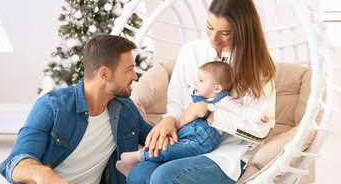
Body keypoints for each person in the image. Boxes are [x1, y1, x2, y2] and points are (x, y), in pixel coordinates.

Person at [126, 0, 277, 184]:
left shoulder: (260, 70)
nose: (214, 39)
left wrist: (208, 111)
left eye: (225, 33)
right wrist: (169, 119)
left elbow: (260, 129)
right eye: (209, 27)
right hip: (188, 142)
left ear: (243, 31)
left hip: (227, 156)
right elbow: (177, 99)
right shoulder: (191, 51)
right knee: (137, 176)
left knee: (164, 179)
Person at [0, 34, 153, 184]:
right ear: (104, 74)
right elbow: (15, 162)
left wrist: (169, 121)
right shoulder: (52, 106)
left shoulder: (125, 109)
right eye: (129, 70)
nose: (134, 77)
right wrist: (42, 174)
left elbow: (157, 140)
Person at [116, 61, 274, 174]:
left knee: (170, 150)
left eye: (201, 80)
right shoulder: (195, 98)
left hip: (201, 141)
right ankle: (134, 164)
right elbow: (179, 111)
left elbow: (243, 111)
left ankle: (139, 157)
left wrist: (261, 116)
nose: (195, 83)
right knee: (163, 139)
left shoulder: (224, 101)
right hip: (186, 133)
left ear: (217, 88)